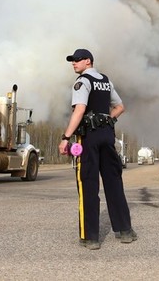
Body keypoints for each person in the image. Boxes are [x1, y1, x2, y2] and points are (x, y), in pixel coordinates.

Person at [58, 48, 137, 250]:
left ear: (88, 61)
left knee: (88, 184)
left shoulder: (82, 82)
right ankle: (125, 230)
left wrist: (66, 137)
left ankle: (90, 237)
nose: (73, 64)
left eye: (76, 60)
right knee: (114, 182)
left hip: (89, 138)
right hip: (107, 136)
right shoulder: (105, 80)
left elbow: (80, 110)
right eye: (72, 61)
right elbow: (120, 107)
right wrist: (108, 119)